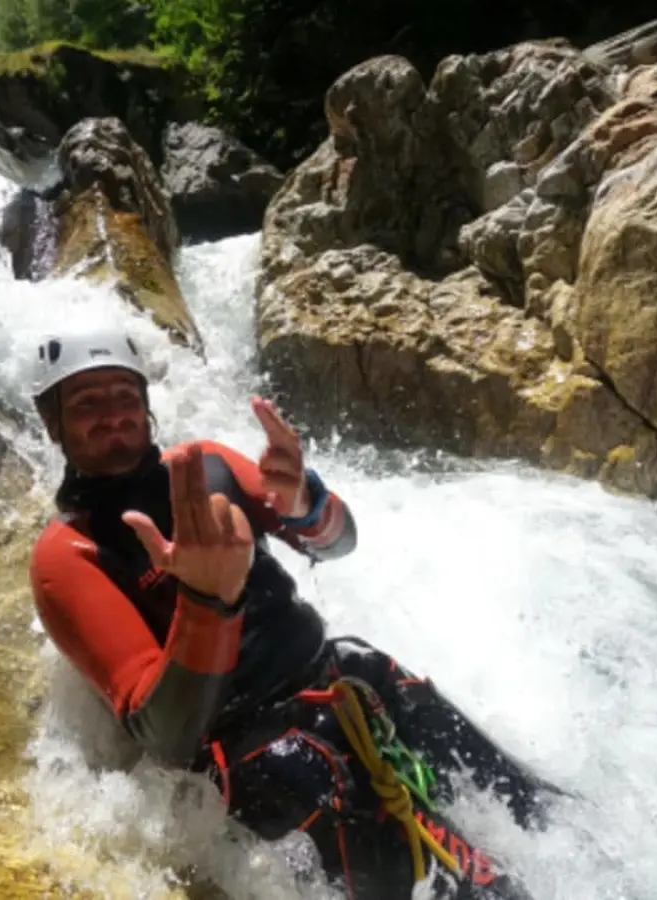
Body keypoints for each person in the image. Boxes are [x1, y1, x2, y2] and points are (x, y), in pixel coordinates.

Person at [27, 326, 562, 899]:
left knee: (393, 686)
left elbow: (338, 542)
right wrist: (209, 602)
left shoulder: (209, 466)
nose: (113, 416)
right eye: (87, 404)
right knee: (321, 781)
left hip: (327, 676)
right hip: (239, 744)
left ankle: (562, 847)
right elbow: (167, 735)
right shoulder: (69, 554)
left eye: (125, 397)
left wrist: (306, 502)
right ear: (53, 423)